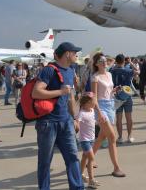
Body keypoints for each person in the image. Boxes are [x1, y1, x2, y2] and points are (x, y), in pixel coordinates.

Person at [32, 42, 84, 190]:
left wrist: (74, 118)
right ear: (67, 53)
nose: (76, 55)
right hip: (47, 123)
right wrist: (60, 92)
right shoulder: (49, 70)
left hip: (66, 121)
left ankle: (77, 187)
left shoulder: (70, 70)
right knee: (45, 161)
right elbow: (36, 92)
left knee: (73, 157)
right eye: (75, 52)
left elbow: (70, 97)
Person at [91, 53, 125, 178]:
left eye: (105, 60)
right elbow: (94, 97)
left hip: (111, 105)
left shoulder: (109, 74)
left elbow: (108, 91)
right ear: (96, 64)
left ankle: (90, 158)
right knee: (112, 137)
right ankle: (116, 168)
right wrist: (98, 112)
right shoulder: (95, 77)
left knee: (101, 137)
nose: (104, 62)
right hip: (101, 108)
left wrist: (115, 90)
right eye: (100, 61)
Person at [76, 93, 100, 189]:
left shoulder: (91, 110)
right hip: (84, 140)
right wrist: (74, 128)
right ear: (86, 103)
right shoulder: (81, 113)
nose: (94, 104)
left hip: (91, 139)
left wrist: (97, 123)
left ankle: (80, 174)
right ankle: (91, 180)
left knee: (85, 158)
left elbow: (92, 121)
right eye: (93, 102)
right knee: (91, 158)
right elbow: (77, 124)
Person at [111, 54, 135, 144]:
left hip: (117, 96)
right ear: (124, 61)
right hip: (127, 95)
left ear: (116, 61)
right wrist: (130, 62)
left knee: (119, 118)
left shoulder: (112, 71)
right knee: (129, 117)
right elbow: (137, 71)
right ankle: (129, 136)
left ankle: (120, 137)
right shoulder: (128, 70)